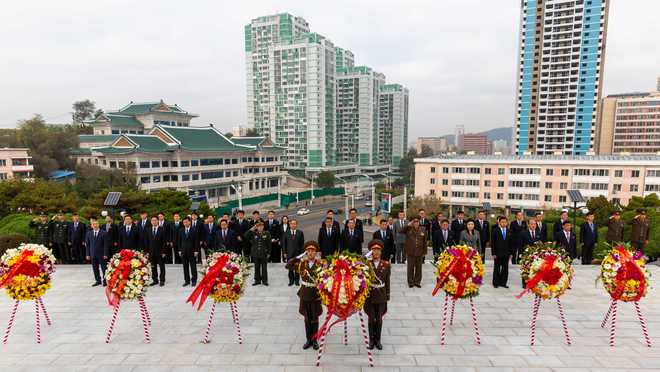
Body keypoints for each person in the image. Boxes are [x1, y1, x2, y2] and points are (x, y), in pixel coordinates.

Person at [285, 241, 324, 350]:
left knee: (315, 317)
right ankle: (308, 340)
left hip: (316, 294)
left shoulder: (320, 263)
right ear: (306, 252)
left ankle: (315, 340)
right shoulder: (302, 263)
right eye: (308, 251)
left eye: (313, 251)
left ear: (316, 252)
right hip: (305, 294)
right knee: (307, 317)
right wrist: (298, 257)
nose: (311, 253)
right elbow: (288, 266)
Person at [364, 240, 390, 350]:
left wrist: (387, 295)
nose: (376, 252)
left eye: (378, 250)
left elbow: (387, 281)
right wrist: (366, 257)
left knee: (379, 319)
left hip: (381, 296)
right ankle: (371, 340)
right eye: (374, 250)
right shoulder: (366, 264)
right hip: (370, 295)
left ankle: (378, 340)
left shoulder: (386, 264)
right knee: (371, 319)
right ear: (371, 252)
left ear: (381, 252)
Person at [402, 217, 427, 288]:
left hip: (419, 252)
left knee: (419, 268)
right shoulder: (408, 229)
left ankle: (417, 282)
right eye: (414, 222)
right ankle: (410, 282)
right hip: (410, 252)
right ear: (413, 223)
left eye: (417, 222)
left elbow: (425, 241)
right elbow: (401, 231)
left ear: (419, 223)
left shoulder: (423, 229)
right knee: (410, 268)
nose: (416, 223)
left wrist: (424, 251)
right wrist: (408, 225)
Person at [245, 221, 271, 286]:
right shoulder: (253, 233)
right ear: (256, 227)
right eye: (258, 226)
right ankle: (257, 280)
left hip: (264, 253)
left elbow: (269, 244)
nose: (260, 227)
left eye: (261, 226)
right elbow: (245, 236)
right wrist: (251, 229)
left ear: (263, 227)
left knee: (264, 268)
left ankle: (264, 280)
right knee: (257, 267)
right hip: (255, 253)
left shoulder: (267, 233)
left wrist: (269, 253)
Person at [85, 217, 109, 287]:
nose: (95, 225)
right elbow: (88, 245)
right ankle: (98, 280)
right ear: (91, 226)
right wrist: (87, 254)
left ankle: (105, 281)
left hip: (102, 254)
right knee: (95, 268)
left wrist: (105, 254)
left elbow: (106, 245)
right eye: (93, 224)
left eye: (96, 224)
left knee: (104, 268)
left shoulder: (104, 233)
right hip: (93, 254)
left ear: (98, 225)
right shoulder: (89, 233)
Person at [145, 216, 167, 286]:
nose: (154, 222)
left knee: (161, 266)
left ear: (158, 221)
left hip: (160, 252)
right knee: (153, 267)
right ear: (151, 222)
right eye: (152, 220)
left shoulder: (162, 229)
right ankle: (155, 280)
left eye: (155, 220)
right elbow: (147, 241)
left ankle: (162, 280)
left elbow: (164, 242)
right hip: (151, 252)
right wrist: (147, 252)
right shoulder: (148, 229)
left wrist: (164, 251)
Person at [283, 219, 305, 286]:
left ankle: (296, 281)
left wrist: (302, 254)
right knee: (290, 269)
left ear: (297, 225)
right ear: (290, 225)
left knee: (297, 268)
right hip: (289, 254)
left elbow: (302, 244)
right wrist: (284, 252)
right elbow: (284, 244)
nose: (293, 225)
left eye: (294, 224)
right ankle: (291, 281)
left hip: (297, 254)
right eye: (292, 224)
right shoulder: (286, 233)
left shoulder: (300, 232)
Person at [491, 216, 511, 288]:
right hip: (497, 253)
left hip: (506, 253)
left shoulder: (509, 231)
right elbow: (493, 243)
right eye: (502, 222)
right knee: (497, 268)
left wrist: (511, 253)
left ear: (507, 223)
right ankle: (495, 283)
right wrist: (493, 253)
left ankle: (503, 283)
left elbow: (511, 243)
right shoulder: (495, 230)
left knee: (505, 269)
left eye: (505, 222)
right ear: (499, 222)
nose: (504, 223)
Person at [178, 217, 199, 287]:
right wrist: (179, 250)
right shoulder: (181, 230)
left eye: (186, 222)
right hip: (184, 251)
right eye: (184, 222)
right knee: (185, 267)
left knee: (193, 266)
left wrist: (196, 250)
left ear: (190, 222)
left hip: (192, 251)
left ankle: (194, 280)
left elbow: (196, 241)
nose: (185, 223)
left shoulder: (194, 230)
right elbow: (179, 241)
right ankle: (187, 280)